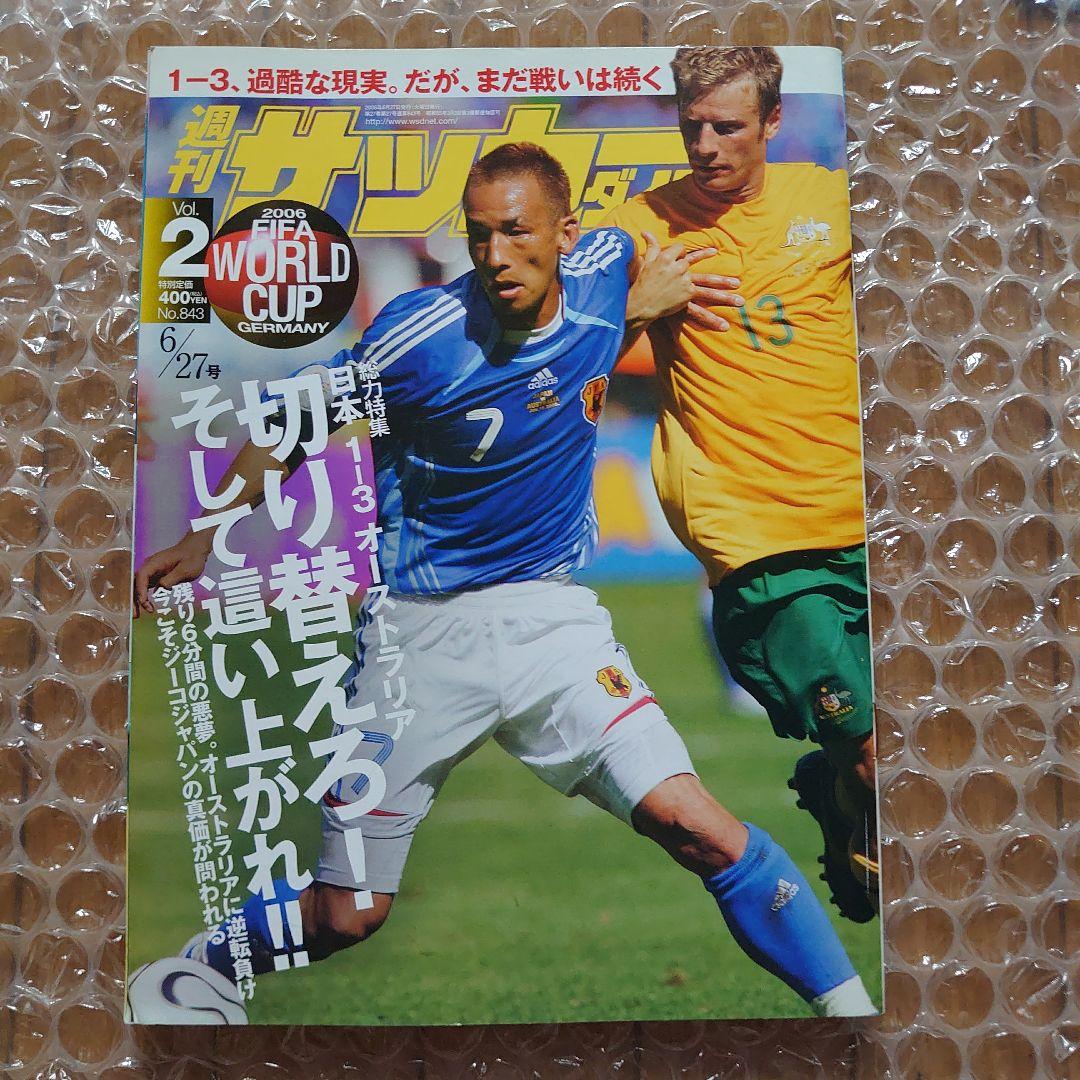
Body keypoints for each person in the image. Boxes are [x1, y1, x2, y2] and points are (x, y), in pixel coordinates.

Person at [134, 141, 874, 1016]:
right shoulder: (420, 336)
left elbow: (680, 239)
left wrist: (650, 305)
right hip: (418, 641)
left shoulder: (609, 266)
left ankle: (853, 1021)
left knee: (703, 830)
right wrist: (205, 534)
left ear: (566, 234)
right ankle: (203, 963)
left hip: (552, 627)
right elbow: (293, 421)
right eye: (479, 234)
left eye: (517, 232)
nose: (494, 255)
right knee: (347, 915)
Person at [604, 47, 879, 922]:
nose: (706, 146)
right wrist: (636, 309)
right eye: (692, 127)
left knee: (898, 758)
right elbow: (558, 354)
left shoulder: (833, 200)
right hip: (759, 538)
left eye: (727, 127)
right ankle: (847, 784)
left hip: (869, 523)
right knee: (877, 754)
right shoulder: (641, 228)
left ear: (773, 122)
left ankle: (838, 799)